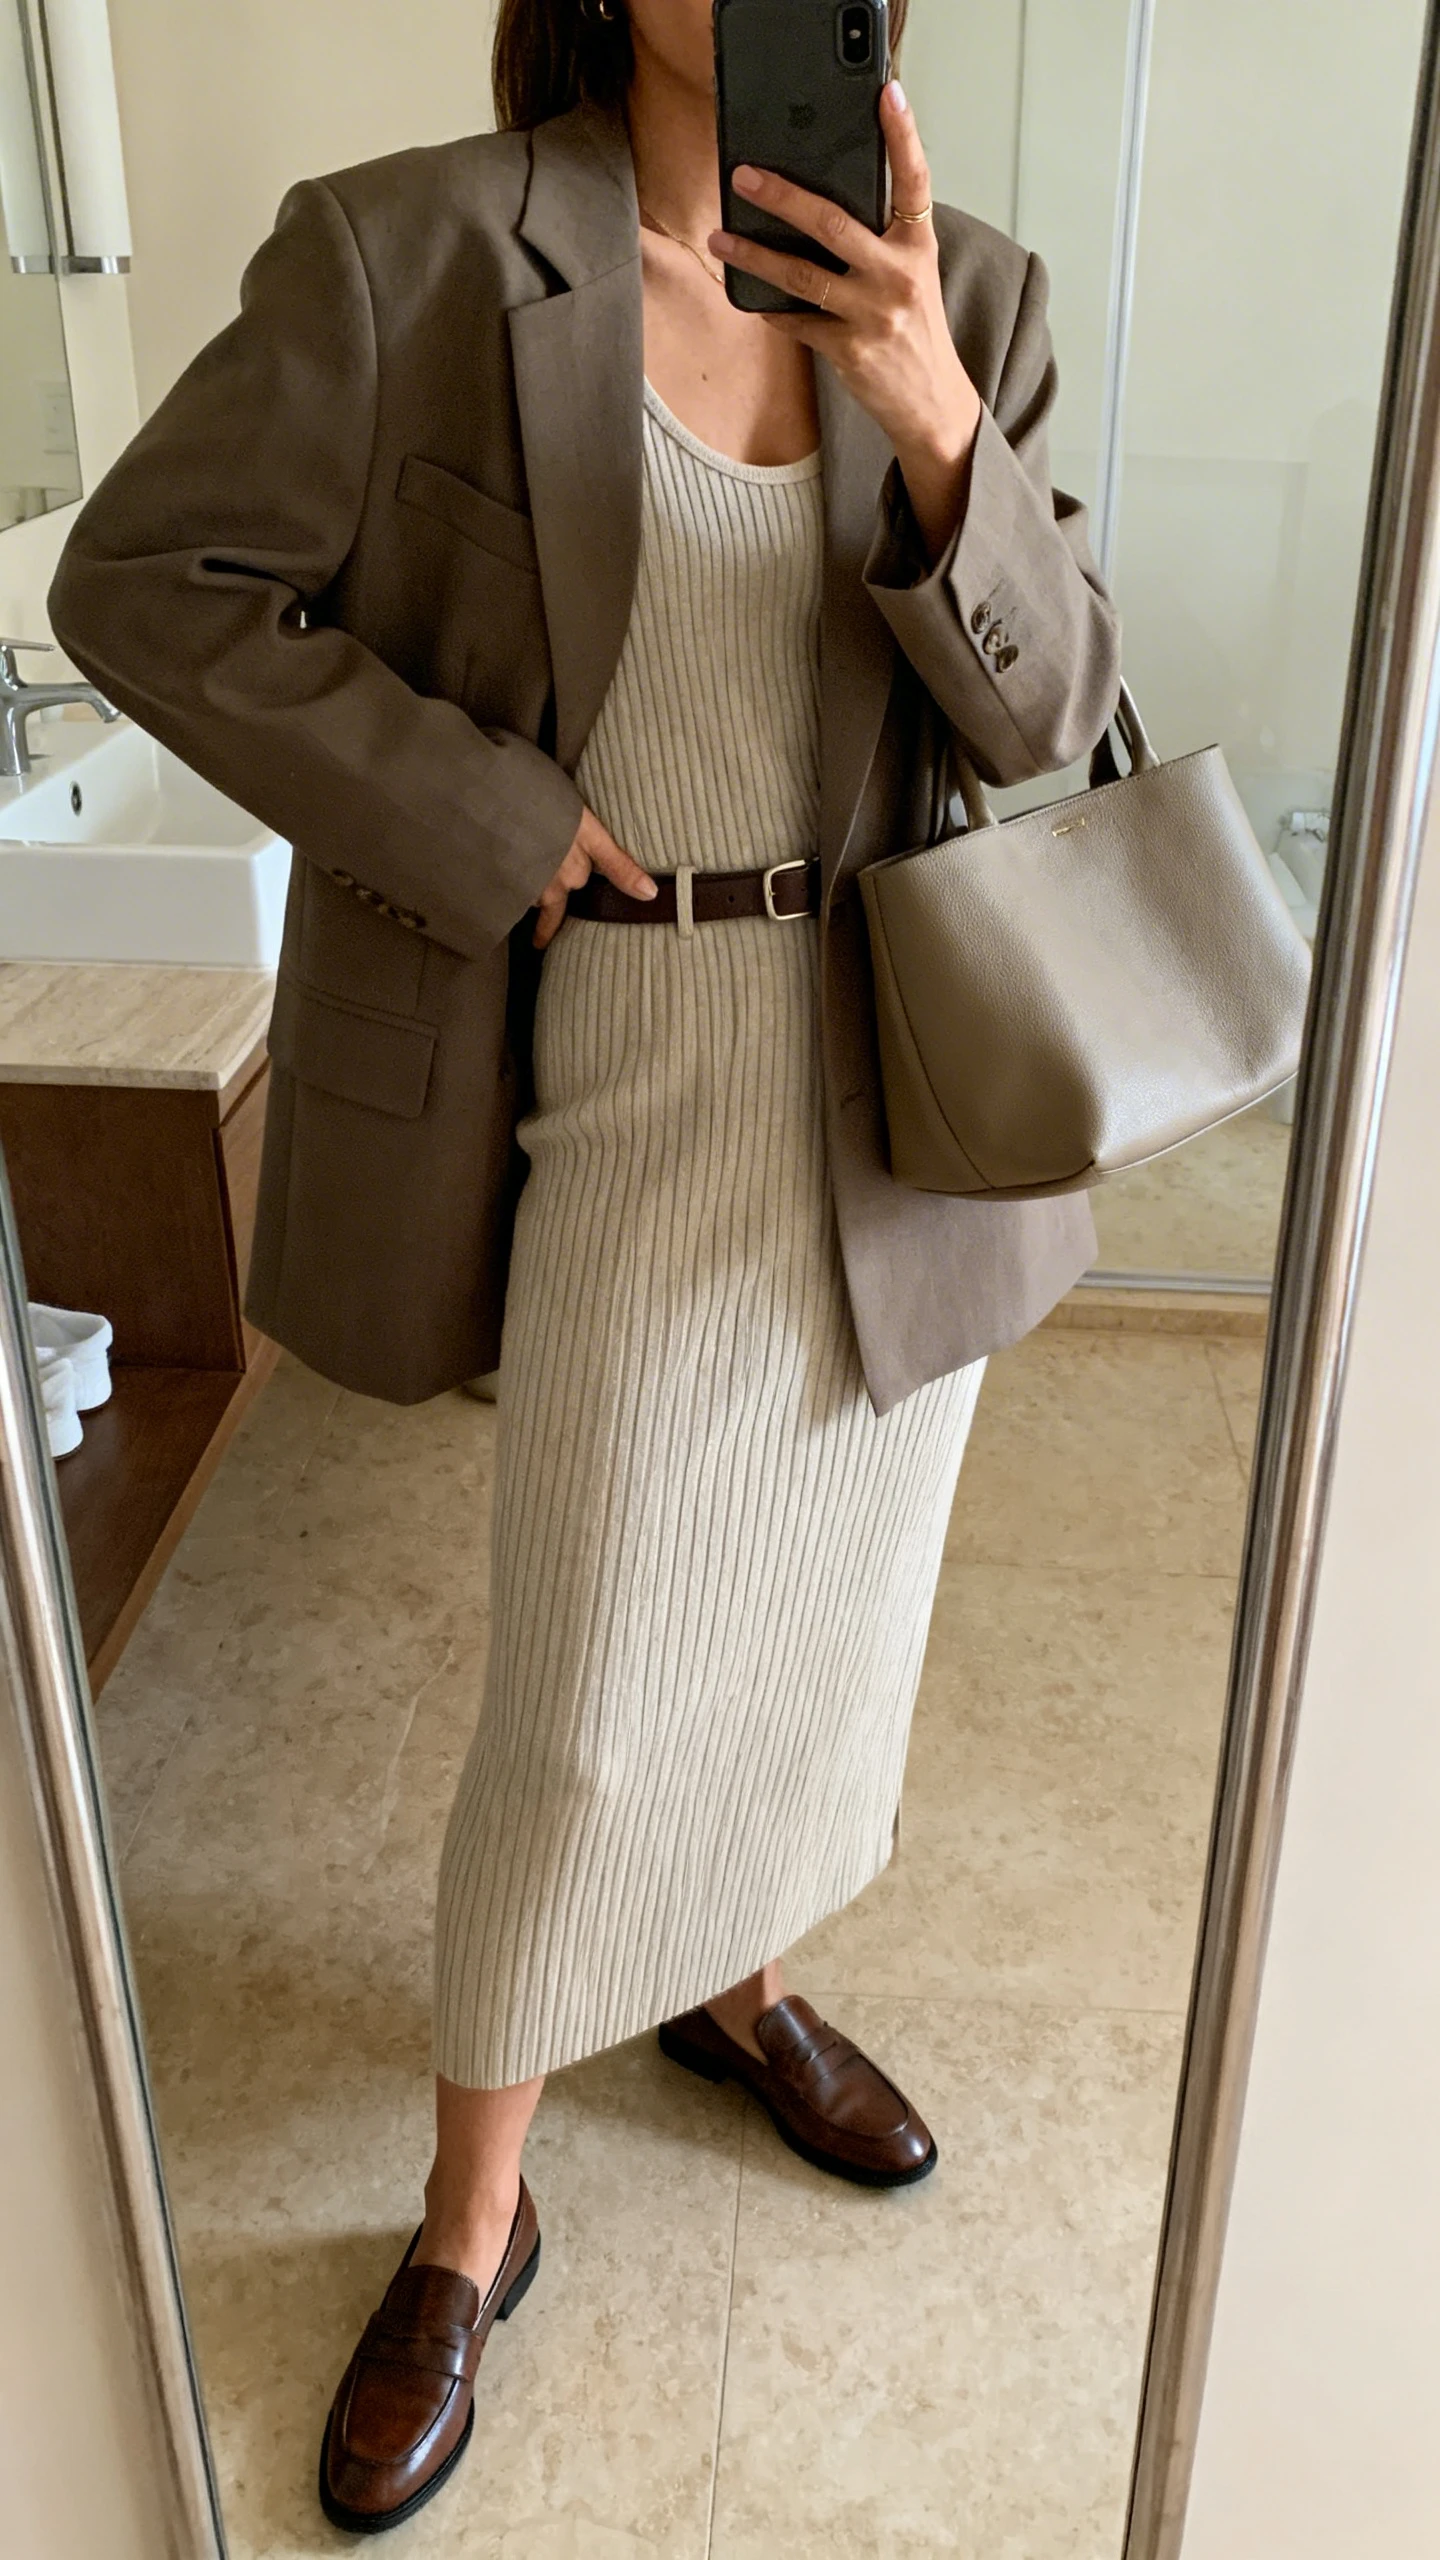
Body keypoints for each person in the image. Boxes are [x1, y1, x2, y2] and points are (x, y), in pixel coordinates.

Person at [50, 0, 1121, 2533]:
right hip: (627, 1078)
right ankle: (474, 2211)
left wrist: (929, 411)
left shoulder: (966, 285)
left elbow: (1056, 708)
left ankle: (731, 1979)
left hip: (895, 1096)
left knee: (821, 1630)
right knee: (594, 1701)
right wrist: (482, 808)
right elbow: (143, 583)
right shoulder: (415, 252)